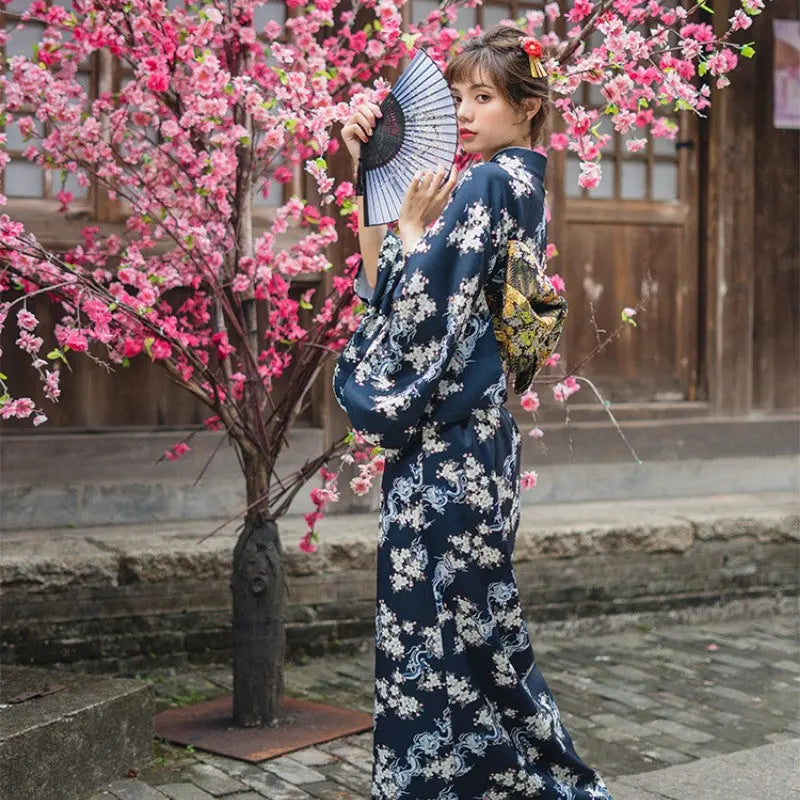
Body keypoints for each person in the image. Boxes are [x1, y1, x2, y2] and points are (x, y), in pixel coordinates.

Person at [335, 24, 614, 800]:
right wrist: (374, 175)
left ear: (529, 108)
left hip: (447, 453)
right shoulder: (520, 185)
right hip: (475, 446)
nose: (462, 112)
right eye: (456, 95)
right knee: (471, 640)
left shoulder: (491, 183)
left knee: (448, 638)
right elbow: (395, 291)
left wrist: (410, 229)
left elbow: (416, 316)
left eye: (482, 96)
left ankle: (501, 784)